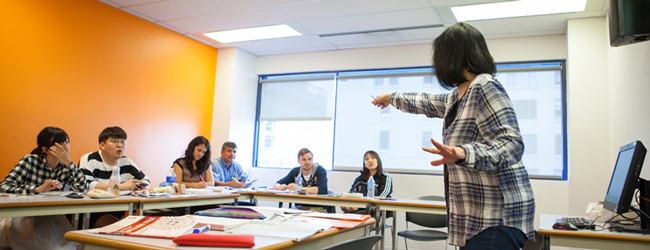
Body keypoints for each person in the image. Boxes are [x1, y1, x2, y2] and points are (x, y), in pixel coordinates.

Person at [372, 22, 535, 250]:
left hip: (496, 217)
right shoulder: (457, 97)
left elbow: (512, 145)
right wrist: (392, 97)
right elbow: (426, 102)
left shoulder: (484, 86)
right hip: (476, 219)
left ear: (451, 57)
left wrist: (462, 152)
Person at [0, 127, 87, 250]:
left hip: (52, 216)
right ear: (45, 149)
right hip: (24, 216)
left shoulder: (65, 167)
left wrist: (68, 163)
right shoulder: (30, 161)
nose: (65, 147)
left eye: (67, 142)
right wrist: (36, 189)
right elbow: (3, 186)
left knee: (70, 245)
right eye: (59, 144)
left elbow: (83, 188)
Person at [79, 126, 150, 227]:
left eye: (122, 142)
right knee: (118, 225)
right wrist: (122, 186)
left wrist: (138, 186)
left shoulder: (127, 162)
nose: (119, 145)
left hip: (120, 208)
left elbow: (146, 181)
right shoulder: (89, 159)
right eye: (114, 141)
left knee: (141, 222)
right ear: (102, 145)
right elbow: (87, 185)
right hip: (94, 210)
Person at [273, 148, 328, 213]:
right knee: (287, 214)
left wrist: (298, 188)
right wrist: (279, 187)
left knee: (307, 216)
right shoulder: (295, 171)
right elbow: (277, 184)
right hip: (300, 207)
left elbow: (322, 189)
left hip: (318, 207)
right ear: (299, 161)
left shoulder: (320, 171)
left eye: (309, 159)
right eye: (304, 159)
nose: (307, 162)